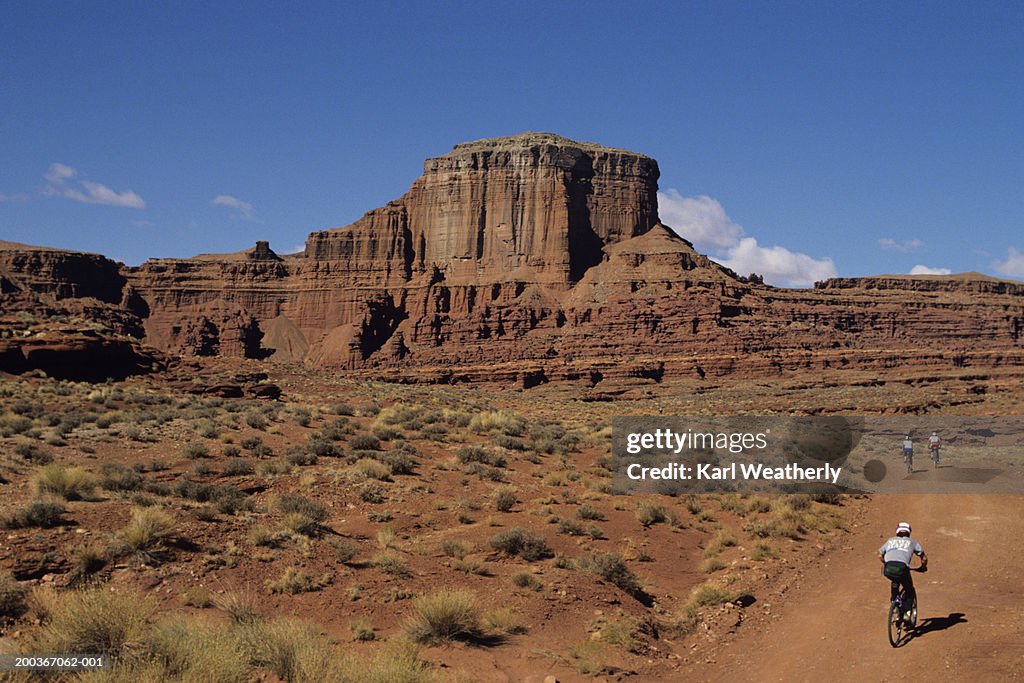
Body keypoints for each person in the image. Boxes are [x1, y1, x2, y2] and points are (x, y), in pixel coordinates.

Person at [879, 522, 927, 623]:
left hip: (888, 568)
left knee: (894, 581)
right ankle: (906, 613)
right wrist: (923, 567)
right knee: (909, 589)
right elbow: (923, 557)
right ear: (909, 532)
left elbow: (880, 555)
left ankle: (894, 604)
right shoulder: (912, 542)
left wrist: (886, 563)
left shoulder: (890, 540)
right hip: (903, 568)